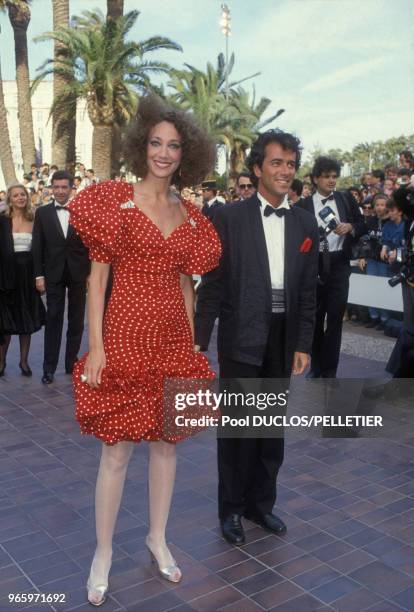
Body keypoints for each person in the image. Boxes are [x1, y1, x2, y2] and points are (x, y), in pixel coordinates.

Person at [68, 95, 221, 606]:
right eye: (155, 142)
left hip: (173, 340)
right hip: (126, 335)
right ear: (142, 146)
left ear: (187, 154)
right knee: (116, 449)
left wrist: (193, 343)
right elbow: (96, 282)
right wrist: (96, 348)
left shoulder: (191, 216)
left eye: (173, 145)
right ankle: (104, 551)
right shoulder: (113, 201)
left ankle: (158, 537)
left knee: (167, 444)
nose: (163, 152)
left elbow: (186, 286)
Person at [195, 129, 319, 546]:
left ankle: (260, 505)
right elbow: (210, 286)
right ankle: (230, 508)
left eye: (290, 164)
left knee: (270, 429)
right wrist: (199, 341)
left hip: (283, 340)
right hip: (242, 335)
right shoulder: (228, 217)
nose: (285, 171)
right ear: (256, 168)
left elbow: (308, 291)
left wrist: (303, 343)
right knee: (238, 428)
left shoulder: (305, 221)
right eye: (276, 163)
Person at [297, 156, 365, 378]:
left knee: (335, 319)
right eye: (326, 177)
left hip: (339, 265)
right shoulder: (303, 205)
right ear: (316, 178)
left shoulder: (346, 199)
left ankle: (330, 371)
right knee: (315, 319)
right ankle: (316, 367)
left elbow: (363, 225)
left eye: (335, 176)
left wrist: (351, 227)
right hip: (314, 266)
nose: (331, 181)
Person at [32, 170, 90, 384]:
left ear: (71, 188)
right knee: (54, 319)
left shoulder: (83, 212)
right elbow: (37, 246)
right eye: (56, 187)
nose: (60, 191)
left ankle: (71, 362)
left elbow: (89, 245)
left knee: (76, 319)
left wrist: (90, 274)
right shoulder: (43, 213)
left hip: (78, 272)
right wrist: (38, 275)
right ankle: (49, 368)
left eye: (64, 187)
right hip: (53, 273)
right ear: (51, 188)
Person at [0, 184, 45, 376]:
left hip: (27, 275)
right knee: (5, 322)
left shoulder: (34, 219)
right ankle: (1, 362)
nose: (20, 198)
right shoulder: (2, 221)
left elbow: (39, 252)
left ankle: (24, 362)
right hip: (5, 275)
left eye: (23, 195)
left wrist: (40, 276)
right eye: (16, 195)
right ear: (10, 199)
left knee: (26, 320)